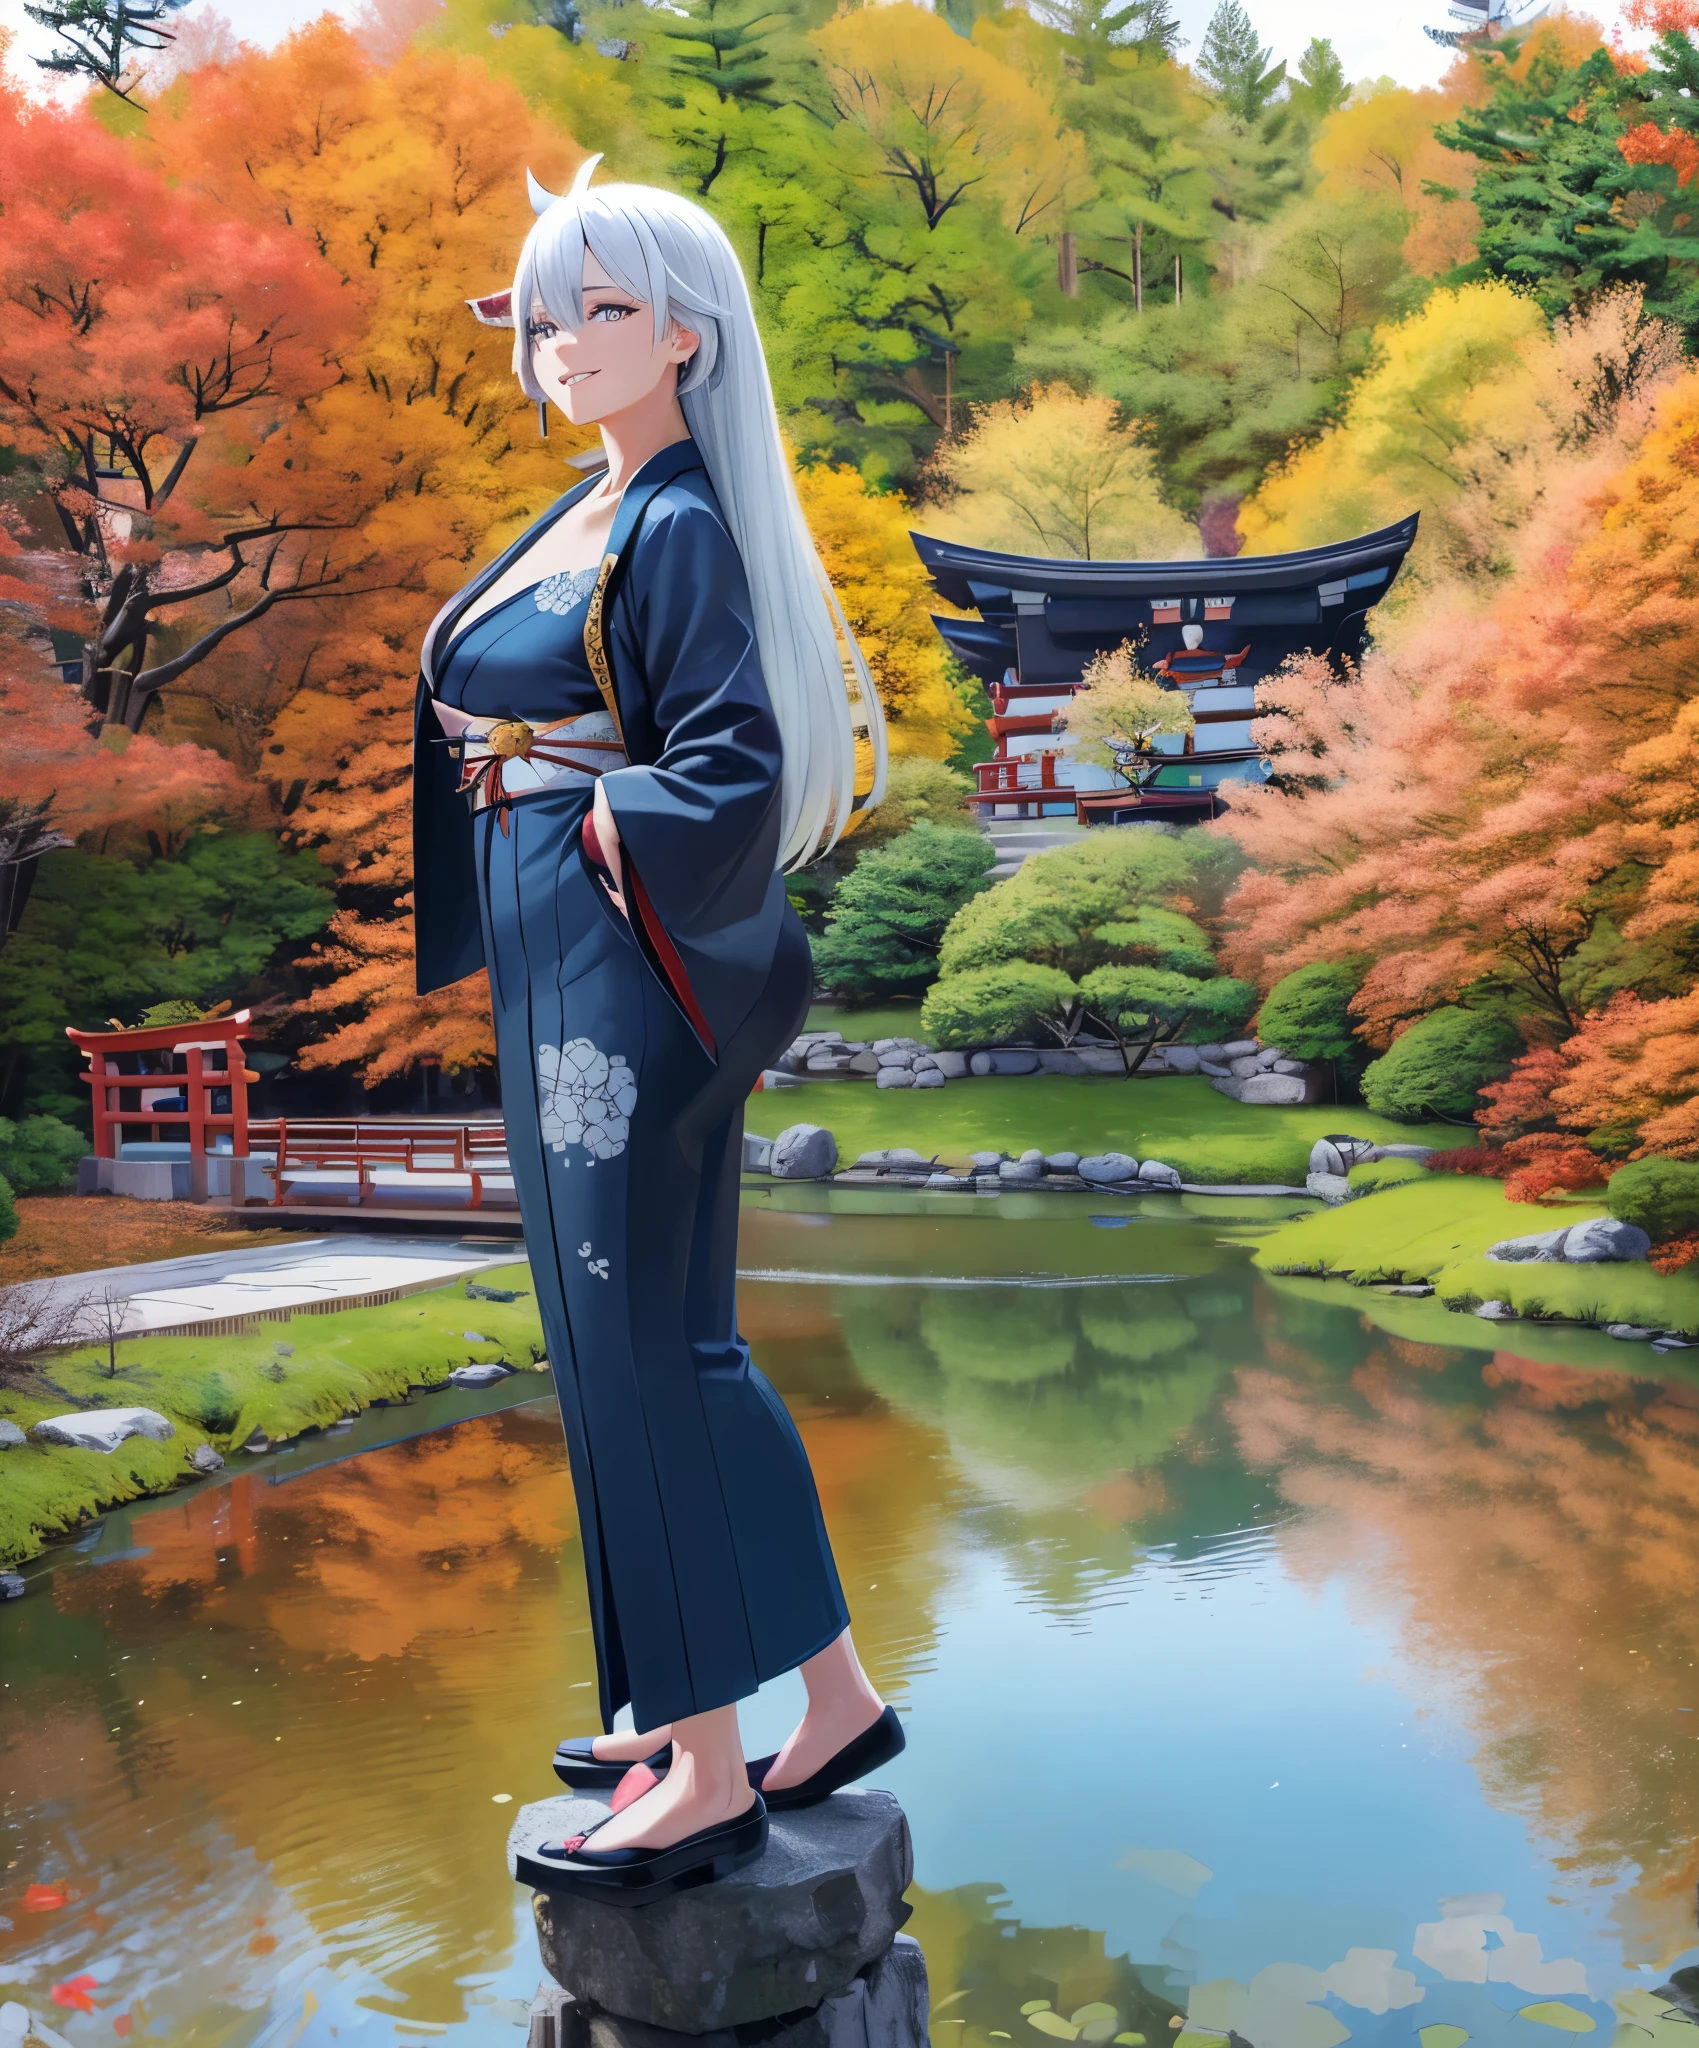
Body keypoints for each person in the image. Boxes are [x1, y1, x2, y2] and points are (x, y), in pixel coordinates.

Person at [412, 157, 900, 1907]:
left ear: (689, 335)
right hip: (576, 954)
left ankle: (701, 1764)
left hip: (621, 965)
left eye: (602, 307)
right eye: (544, 312)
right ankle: (812, 1701)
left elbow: (730, 766)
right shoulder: (591, 508)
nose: (562, 341)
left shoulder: (674, 520)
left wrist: (600, 821)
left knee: (632, 1353)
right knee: (665, 1350)